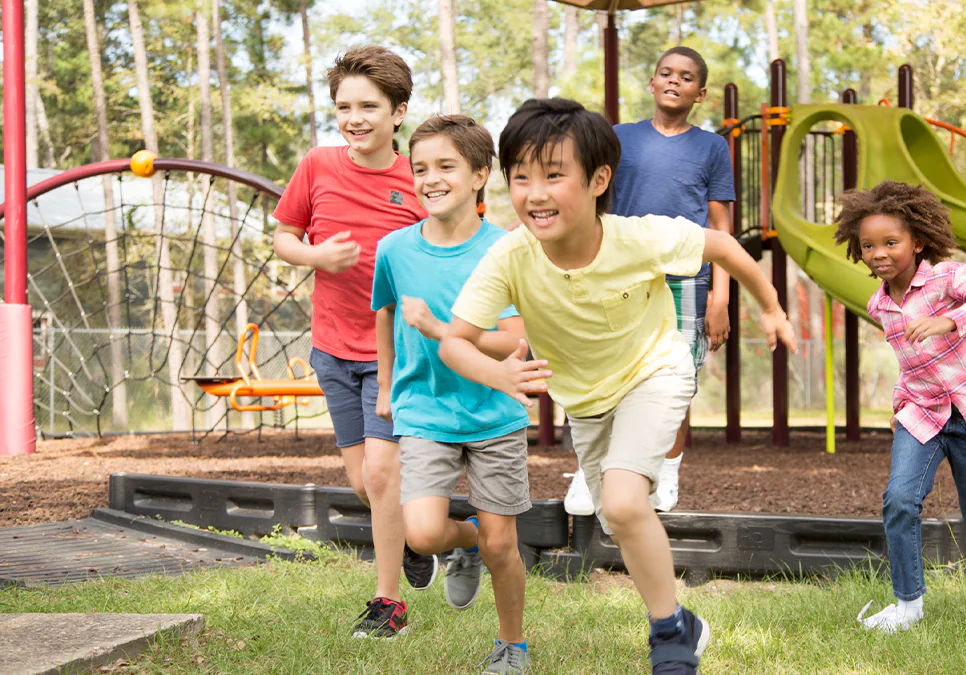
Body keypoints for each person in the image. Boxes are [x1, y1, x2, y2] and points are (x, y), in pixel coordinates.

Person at [439, 98, 797, 675]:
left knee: (626, 503)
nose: (535, 193)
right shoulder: (511, 255)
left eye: (555, 175)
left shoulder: (638, 237)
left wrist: (771, 307)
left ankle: (668, 641)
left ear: (599, 178)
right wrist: (499, 372)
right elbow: (455, 341)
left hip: (656, 371)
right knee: (616, 517)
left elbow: (725, 245)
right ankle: (685, 622)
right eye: (522, 177)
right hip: (587, 399)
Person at [271, 45, 435, 640]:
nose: (354, 117)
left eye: (369, 105)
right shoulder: (317, 165)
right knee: (365, 484)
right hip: (332, 346)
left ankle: (387, 603)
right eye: (344, 106)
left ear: (399, 112)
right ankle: (419, 543)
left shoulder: (421, 177)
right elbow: (285, 236)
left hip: (397, 353)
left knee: (385, 475)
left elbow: (454, 244)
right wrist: (315, 255)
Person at [832, 180, 966, 633]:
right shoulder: (879, 305)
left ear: (917, 242)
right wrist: (901, 402)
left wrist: (950, 320)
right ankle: (908, 606)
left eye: (890, 242)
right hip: (922, 412)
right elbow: (909, 362)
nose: (878, 253)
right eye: (868, 245)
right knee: (900, 500)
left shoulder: (949, 277)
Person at [372, 114, 532, 673]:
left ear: (480, 175)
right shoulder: (394, 249)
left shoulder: (507, 250)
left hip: (494, 413)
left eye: (446, 166)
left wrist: (443, 330)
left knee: (503, 546)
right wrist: (387, 385)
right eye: (420, 168)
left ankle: (512, 645)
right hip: (424, 410)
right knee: (421, 531)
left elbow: (514, 341)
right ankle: (463, 546)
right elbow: (385, 314)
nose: (430, 178)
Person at [562, 46, 735, 516]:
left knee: (676, 381)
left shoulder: (712, 148)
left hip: (685, 279)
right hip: (620, 276)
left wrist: (720, 295)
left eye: (686, 77)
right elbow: (589, 198)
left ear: (700, 93)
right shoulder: (620, 139)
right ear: (652, 83)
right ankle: (590, 469)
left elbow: (721, 229)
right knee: (604, 370)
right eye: (666, 73)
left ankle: (666, 473)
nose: (674, 81)